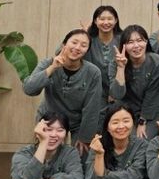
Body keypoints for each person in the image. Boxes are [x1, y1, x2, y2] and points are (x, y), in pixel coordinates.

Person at [23, 29, 102, 157]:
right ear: (64, 44)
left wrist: (85, 137)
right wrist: (52, 68)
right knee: (46, 158)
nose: (77, 48)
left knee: (80, 158)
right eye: (74, 42)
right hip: (49, 119)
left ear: (87, 50)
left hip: (77, 122)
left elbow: (92, 108)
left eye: (83, 45)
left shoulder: (93, 72)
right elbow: (29, 89)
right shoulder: (48, 63)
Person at [110, 25, 159, 139]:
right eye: (130, 42)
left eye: (140, 40)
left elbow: (152, 95)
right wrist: (121, 68)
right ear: (124, 45)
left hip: (152, 111)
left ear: (146, 42)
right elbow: (117, 95)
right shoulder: (115, 63)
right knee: (126, 138)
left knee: (142, 139)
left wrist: (143, 120)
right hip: (128, 111)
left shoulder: (157, 62)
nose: (136, 46)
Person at [83, 6, 123, 109]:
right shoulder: (88, 40)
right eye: (102, 19)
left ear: (116, 20)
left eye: (110, 19)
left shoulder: (123, 39)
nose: (106, 22)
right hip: (94, 92)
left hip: (121, 91)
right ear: (95, 21)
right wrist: (83, 35)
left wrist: (114, 91)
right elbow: (60, 52)